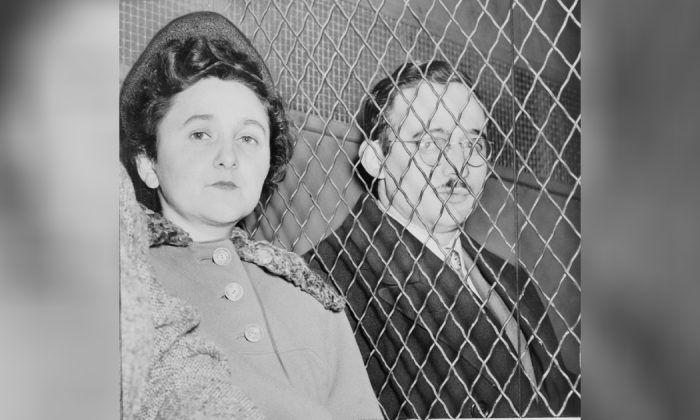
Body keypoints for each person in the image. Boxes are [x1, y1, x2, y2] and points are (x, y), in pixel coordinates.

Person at [119, 11, 381, 419]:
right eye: (200, 134)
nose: (228, 157)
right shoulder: (125, 281)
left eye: (248, 138)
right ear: (148, 162)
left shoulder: (310, 298)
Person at [304, 61, 580, 418]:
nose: (459, 162)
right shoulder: (326, 284)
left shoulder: (515, 279)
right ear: (376, 159)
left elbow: (552, 394)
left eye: (473, 142)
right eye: (431, 143)